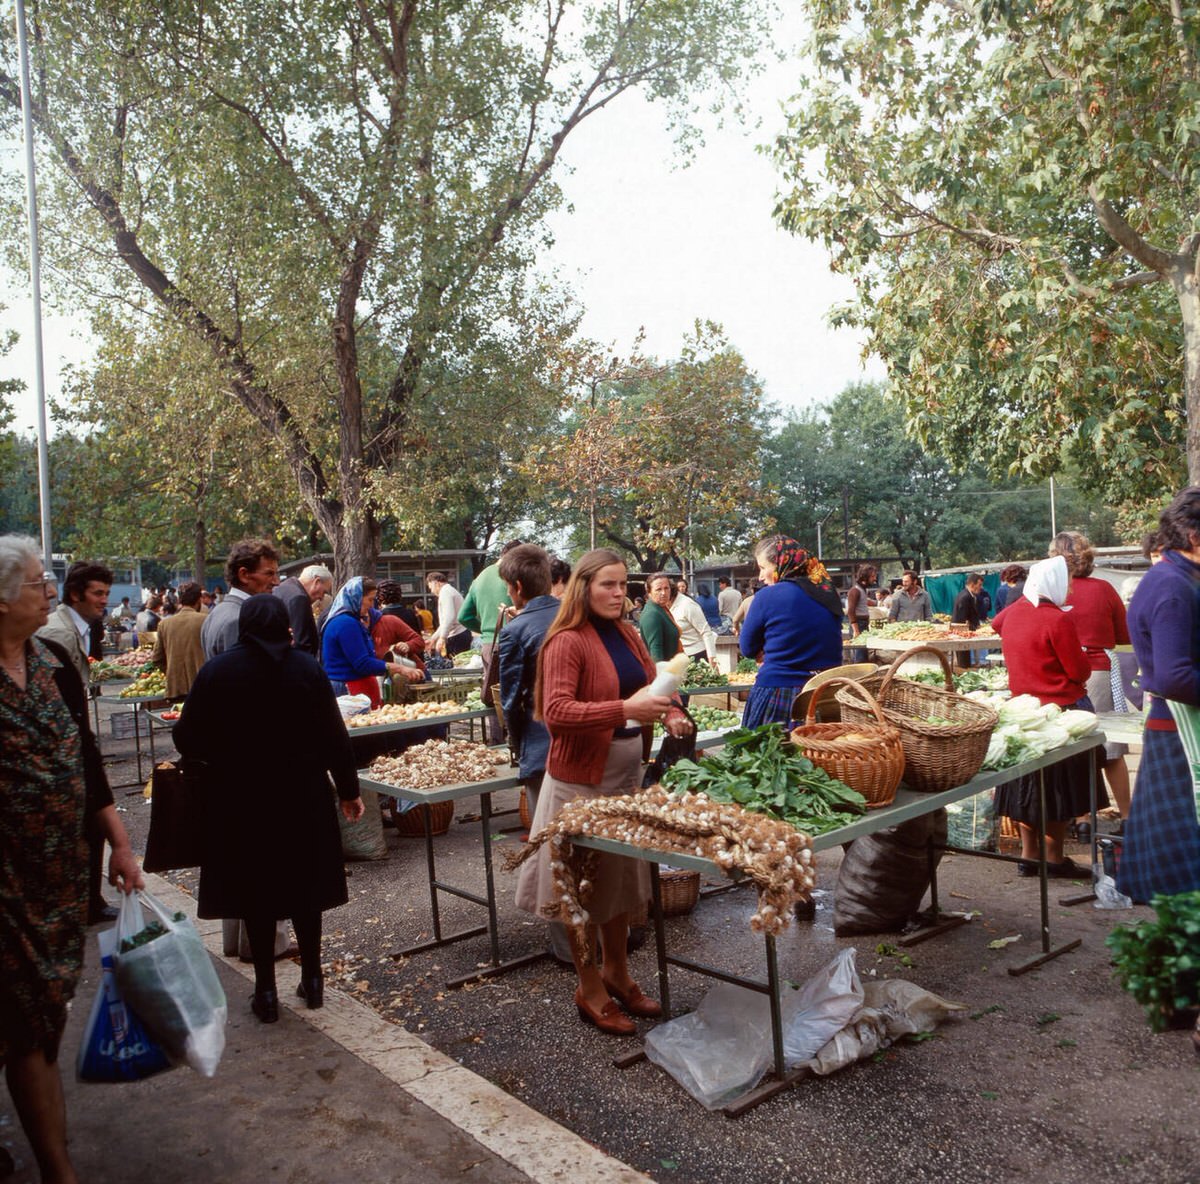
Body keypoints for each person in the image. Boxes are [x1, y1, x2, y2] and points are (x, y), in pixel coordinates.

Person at [0, 535, 143, 1182]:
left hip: (57, 884)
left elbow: (84, 755)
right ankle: (59, 1169)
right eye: (37, 583)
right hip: (5, 892)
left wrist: (117, 838)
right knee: (27, 1027)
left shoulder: (50, 659)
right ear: (2, 601)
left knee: (39, 1018)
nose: (49, 591)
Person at [515, 549, 692, 1035]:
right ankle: (588, 985)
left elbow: (655, 686)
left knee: (617, 881)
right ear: (582, 587)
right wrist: (622, 708)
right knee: (577, 889)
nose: (618, 594)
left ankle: (617, 970)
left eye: (622, 586)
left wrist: (672, 709)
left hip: (623, 775)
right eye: (607, 585)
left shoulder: (627, 633)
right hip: (578, 781)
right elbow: (556, 713)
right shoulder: (565, 642)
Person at [174, 595, 364, 1024]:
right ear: (283, 625)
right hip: (304, 798)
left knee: (256, 892)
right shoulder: (306, 669)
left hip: (241, 803)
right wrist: (350, 792)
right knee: (305, 888)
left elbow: (186, 738)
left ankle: (265, 990)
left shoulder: (217, 672)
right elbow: (335, 737)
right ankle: (313, 979)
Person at [1117, 488, 1200, 904]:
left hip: (1177, 728)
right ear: (1194, 537)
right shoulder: (1171, 586)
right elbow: (1173, 676)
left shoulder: (1178, 577)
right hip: (1178, 732)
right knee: (1181, 863)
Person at [992, 556, 1094, 877]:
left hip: (1022, 712)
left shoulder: (1016, 614)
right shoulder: (1057, 620)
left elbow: (996, 623)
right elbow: (1079, 670)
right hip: (1058, 715)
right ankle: (1054, 859)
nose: (1070, 588)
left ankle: (1027, 856)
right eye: (1067, 581)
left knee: (1026, 788)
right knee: (1055, 791)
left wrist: (1025, 600)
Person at [37, 560, 117, 924]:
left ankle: (90, 900)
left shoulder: (76, 629)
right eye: (98, 593)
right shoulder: (60, 634)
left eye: (106, 593)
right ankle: (86, 903)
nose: (104, 600)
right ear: (76, 594)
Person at [1049, 531, 1132, 825]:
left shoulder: (1051, 595)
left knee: (1071, 746)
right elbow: (1124, 635)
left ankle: (1082, 819)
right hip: (1097, 669)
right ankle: (1127, 815)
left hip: (1058, 674)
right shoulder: (1104, 589)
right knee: (1111, 749)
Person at [738, 534, 844, 730]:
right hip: (825, 695)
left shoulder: (766, 597)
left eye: (763, 568)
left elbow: (747, 648)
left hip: (779, 693)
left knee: (771, 756)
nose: (760, 577)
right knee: (820, 756)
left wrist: (768, 648)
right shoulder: (828, 593)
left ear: (780, 564)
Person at [322, 577, 416, 707]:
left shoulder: (348, 621)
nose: (372, 605)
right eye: (370, 600)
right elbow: (362, 664)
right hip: (350, 691)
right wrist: (400, 668)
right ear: (356, 597)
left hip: (354, 688)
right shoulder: (346, 624)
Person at [201, 538, 281, 658]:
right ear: (244, 575)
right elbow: (242, 673)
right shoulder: (238, 620)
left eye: (276, 574)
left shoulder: (216, 612)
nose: (276, 582)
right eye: (269, 574)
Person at [151, 581, 208, 697]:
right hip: (202, 687)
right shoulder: (207, 620)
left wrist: (173, 673)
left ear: (179, 600)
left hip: (175, 688)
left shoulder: (165, 624)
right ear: (199, 600)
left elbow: (157, 659)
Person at [274, 563, 333, 657]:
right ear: (316, 581)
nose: (322, 597)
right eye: (324, 592)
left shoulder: (285, 587)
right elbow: (302, 642)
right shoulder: (299, 598)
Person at [639, 573, 682, 664]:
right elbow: (656, 652)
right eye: (658, 589)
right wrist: (662, 676)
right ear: (649, 592)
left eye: (666, 588)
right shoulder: (652, 614)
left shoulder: (661, 608)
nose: (663, 593)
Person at [670, 584, 718, 667]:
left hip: (698, 654)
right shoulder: (663, 606)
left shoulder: (687, 604)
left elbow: (706, 632)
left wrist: (712, 660)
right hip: (680, 656)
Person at [426, 571, 471, 656]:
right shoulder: (449, 590)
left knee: (458, 666)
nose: (431, 591)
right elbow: (445, 622)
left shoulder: (445, 592)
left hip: (457, 636)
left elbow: (449, 617)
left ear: (435, 583)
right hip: (460, 634)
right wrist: (433, 639)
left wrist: (442, 638)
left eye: (430, 587)